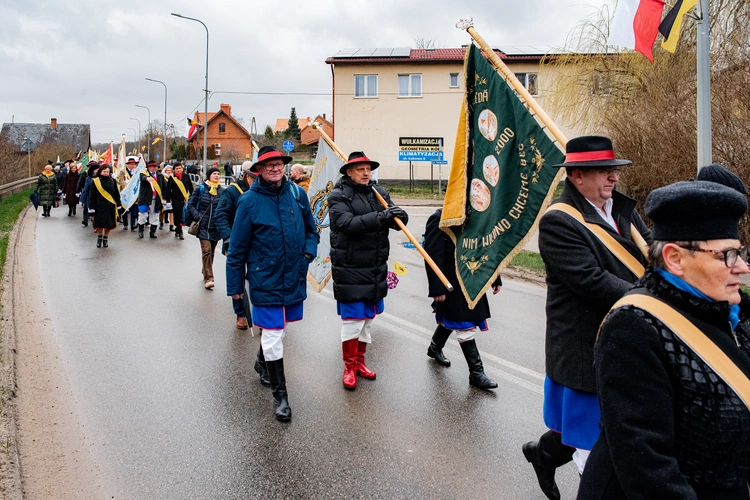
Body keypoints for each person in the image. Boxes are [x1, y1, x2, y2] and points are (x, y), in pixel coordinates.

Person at [578, 180, 750, 499]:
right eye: (727, 255)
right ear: (674, 258)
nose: (742, 266)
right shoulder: (633, 327)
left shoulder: (732, 314)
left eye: (740, 253)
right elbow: (649, 469)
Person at [522, 136, 652, 500]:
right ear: (577, 176)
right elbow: (592, 281)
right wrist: (652, 299)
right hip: (585, 347)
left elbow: (649, 251)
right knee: (596, 451)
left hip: (629, 336)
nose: (613, 178)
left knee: (603, 428)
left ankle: (542, 454)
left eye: (614, 170)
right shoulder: (558, 221)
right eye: (604, 171)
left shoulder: (621, 209)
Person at [226, 146, 319, 422]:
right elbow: (237, 251)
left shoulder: (297, 194)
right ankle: (281, 397)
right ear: (259, 170)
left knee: (278, 331)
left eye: (278, 163)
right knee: (274, 333)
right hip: (264, 278)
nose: (275, 168)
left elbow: (311, 230)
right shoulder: (249, 202)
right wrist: (235, 291)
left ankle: (261, 361)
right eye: (269, 165)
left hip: (293, 275)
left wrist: (306, 255)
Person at [328, 151, 408, 390]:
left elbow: (391, 219)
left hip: (374, 268)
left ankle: (361, 362)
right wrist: (382, 217)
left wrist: (398, 216)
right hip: (350, 268)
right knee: (352, 322)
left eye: (368, 169)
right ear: (349, 172)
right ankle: (349, 367)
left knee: (367, 322)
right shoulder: (338, 196)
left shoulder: (379, 193)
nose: (366, 173)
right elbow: (347, 224)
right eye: (360, 169)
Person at [423, 208, 501, 390]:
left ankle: (434, 348)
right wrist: (438, 287)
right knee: (463, 324)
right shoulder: (440, 218)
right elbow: (433, 256)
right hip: (450, 282)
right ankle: (476, 373)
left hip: (472, 281)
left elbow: (486, 248)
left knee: (452, 319)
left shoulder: (478, 217)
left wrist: (495, 276)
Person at [215, 160, 257, 330]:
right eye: (254, 177)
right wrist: (228, 237)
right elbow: (221, 215)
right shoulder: (232, 191)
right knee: (237, 278)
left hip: (255, 243)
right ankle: (240, 313)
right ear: (245, 176)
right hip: (235, 242)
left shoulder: (261, 192)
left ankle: (261, 313)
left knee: (257, 278)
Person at [187, 167, 224, 289]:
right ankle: (209, 278)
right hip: (202, 226)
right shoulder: (201, 189)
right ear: (209, 175)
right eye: (214, 173)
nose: (217, 176)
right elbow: (191, 205)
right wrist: (197, 215)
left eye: (218, 174)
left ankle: (205, 269)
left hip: (215, 226)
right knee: (206, 251)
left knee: (212, 252)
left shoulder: (222, 191)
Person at [87, 165, 122, 248]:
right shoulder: (96, 181)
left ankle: (106, 238)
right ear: (100, 172)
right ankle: (99, 238)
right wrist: (91, 208)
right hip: (99, 206)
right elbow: (92, 195)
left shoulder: (112, 181)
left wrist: (119, 204)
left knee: (109, 224)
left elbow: (116, 193)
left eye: (107, 171)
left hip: (110, 205)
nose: (106, 173)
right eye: (104, 172)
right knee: (100, 224)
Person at [136, 161, 164, 239]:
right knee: (143, 215)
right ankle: (141, 230)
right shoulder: (144, 174)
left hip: (156, 198)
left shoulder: (160, 175)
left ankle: (152, 232)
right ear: (148, 167)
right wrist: (147, 178)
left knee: (155, 215)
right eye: (152, 166)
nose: (154, 168)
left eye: (155, 166)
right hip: (145, 198)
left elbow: (163, 186)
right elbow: (143, 178)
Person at [166, 163, 194, 241]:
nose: (178, 170)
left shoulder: (186, 176)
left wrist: (192, 197)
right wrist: (168, 201)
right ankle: (180, 230)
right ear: (174, 170)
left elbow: (191, 187)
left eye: (179, 168)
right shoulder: (172, 178)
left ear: (182, 169)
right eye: (177, 168)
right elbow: (168, 190)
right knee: (178, 215)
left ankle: (178, 229)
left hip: (185, 198)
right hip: (175, 199)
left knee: (183, 214)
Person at [159, 165, 174, 231]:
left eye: (170, 171)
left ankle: (171, 225)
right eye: (168, 170)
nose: (169, 172)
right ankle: (161, 223)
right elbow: (161, 187)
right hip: (164, 196)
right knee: (162, 210)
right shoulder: (162, 177)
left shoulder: (173, 177)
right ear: (165, 171)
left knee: (172, 211)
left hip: (171, 196)